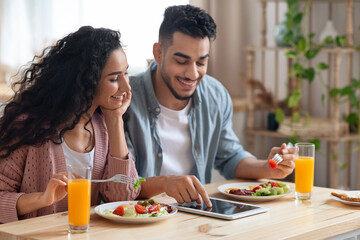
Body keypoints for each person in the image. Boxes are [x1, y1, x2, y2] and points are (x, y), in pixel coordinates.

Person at [125, 5, 295, 207]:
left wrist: (267, 168)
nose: (192, 74)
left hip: (196, 217)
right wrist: (165, 183)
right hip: (141, 218)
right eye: (181, 61)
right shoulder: (125, 99)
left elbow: (230, 156)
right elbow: (121, 182)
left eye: (201, 62)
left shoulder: (215, 95)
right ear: (158, 52)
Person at [0, 26, 140, 223]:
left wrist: (115, 120)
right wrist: (42, 199)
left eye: (126, 74)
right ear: (87, 80)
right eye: (114, 78)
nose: (126, 87)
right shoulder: (29, 127)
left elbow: (123, 199)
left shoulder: (105, 126)